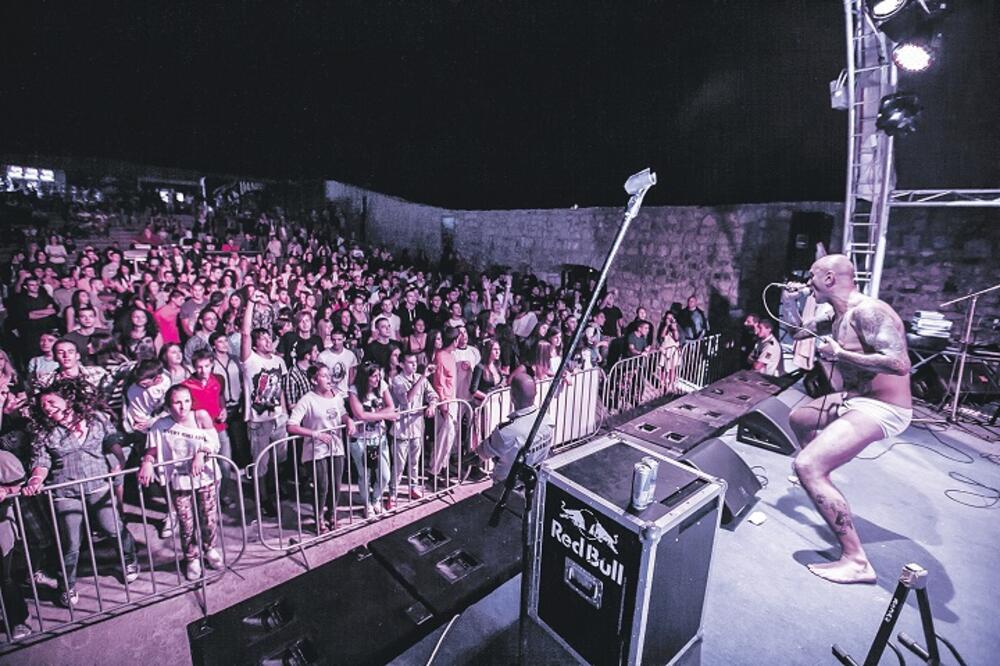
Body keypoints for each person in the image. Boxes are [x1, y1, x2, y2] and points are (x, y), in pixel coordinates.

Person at [789, 254, 912, 585]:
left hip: (885, 407)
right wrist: (791, 302)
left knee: (806, 466)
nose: (807, 282)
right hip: (856, 398)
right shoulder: (835, 316)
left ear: (829, 279)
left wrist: (841, 355)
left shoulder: (869, 312)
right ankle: (822, 467)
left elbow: (899, 364)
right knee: (799, 418)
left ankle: (856, 560)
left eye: (811, 276)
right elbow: (795, 332)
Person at [22, 379, 140, 607]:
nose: (47, 407)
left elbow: (112, 441)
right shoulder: (45, 432)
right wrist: (36, 479)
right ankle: (67, 585)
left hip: (98, 484)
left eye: (51, 402)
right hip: (65, 491)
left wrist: (119, 461)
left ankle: (129, 559)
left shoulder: (96, 419)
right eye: (43, 405)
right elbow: (41, 461)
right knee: (71, 543)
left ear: (67, 400)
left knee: (113, 528)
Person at [139, 384, 223, 581]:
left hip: (206, 477)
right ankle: (191, 557)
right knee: (186, 522)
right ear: (169, 406)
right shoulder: (161, 425)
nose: (183, 406)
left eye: (186, 401)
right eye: (177, 402)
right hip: (180, 481)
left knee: (209, 518)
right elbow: (152, 450)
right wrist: (147, 463)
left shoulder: (200, 416)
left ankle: (210, 549)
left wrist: (201, 454)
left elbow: (214, 442)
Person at [287, 365, 355, 533]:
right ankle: (318, 518)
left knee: (336, 484)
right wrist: (315, 434)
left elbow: (343, 413)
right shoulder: (307, 399)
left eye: (329, 375)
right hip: (316, 450)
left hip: (336, 446)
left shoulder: (337, 396)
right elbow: (291, 426)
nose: (329, 379)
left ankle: (332, 514)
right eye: (324, 376)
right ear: (314, 380)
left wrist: (349, 421)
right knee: (322, 485)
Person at [241, 292, 289, 516]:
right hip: (258, 421)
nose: (269, 342)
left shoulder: (279, 360)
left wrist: (285, 414)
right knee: (260, 463)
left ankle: (275, 491)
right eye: (263, 339)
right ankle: (263, 500)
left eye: (270, 339)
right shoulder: (250, 361)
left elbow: (279, 389)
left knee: (278, 462)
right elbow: (244, 333)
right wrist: (251, 303)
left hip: (278, 417)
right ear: (256, 344)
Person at [478, 370, 554, 483]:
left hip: (507, 487)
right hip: (535, 480)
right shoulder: (547, 420)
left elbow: (482, 453)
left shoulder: (506, 431)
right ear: (535, 394)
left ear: (512, 396)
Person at [347, 362, 398, 517]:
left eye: (378, 375)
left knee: (385, 475)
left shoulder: (381, 386)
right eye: (374, 376)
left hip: (378, 437)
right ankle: (367, 503)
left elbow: (391, 406)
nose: (377, 379)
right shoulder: (354, 390)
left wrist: (376, 414)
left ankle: (376, 499)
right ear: (365, 377)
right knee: (366, 474)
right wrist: (385, 415)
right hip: (361, 439)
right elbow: (360, 415)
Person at [388, 353, 438, 505]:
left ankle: (413, 487)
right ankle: (393, 493)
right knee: (398, 464)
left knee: (415, 461)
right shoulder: (397, 380)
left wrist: (432, 405)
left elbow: (433, 395)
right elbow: (407, 398)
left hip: (417, 427)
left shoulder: (419, 377)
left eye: (415, 362)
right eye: (410, 362)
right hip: (401, 429)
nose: (414, 365)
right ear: (402, 365)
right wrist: (423, 377)